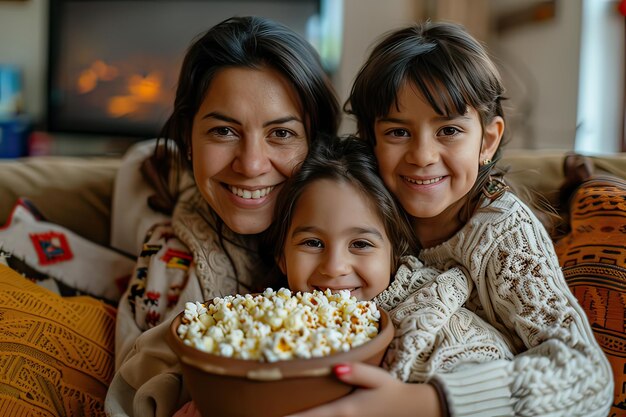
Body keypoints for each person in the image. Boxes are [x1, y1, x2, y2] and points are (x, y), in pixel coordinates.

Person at [289, 21, 613, 417]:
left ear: (487, 140)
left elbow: (588, 375)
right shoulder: (365, 205)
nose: (422, 155)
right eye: (397, 132)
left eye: (448, 130)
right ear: (369, 140)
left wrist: (426, 402)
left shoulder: (503, 233)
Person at [175, 134, 515, 417]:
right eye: (312, 242)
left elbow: (499, 387)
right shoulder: (254, 324)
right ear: (281, 254)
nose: (334, 266)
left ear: (395, 254)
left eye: (361, 244)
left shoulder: (434, 317)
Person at [105, 16, 340, 417]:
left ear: (316, 144)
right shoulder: (167, 266)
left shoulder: (359, 237)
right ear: (189, 141)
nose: (250, 164)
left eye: (281, 134)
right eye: (224, 132)